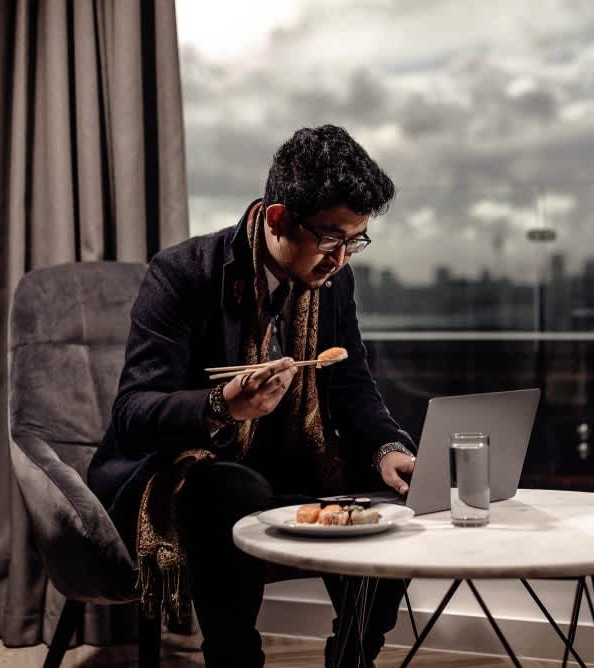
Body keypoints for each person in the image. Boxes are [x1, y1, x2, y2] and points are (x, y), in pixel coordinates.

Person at [88, 124, 417, 667]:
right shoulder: (181, 274)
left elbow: (354, 384)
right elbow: (133, 413)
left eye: (355, 241)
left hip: (286, 460)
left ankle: (356, 655)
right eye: (332, 239)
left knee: (391, 489)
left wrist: (388, 449)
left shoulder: (333, 281)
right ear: (279, 219)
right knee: (232, 489)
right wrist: (221, 405)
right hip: (189, 469)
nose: (341, 259)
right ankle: (234, 657)